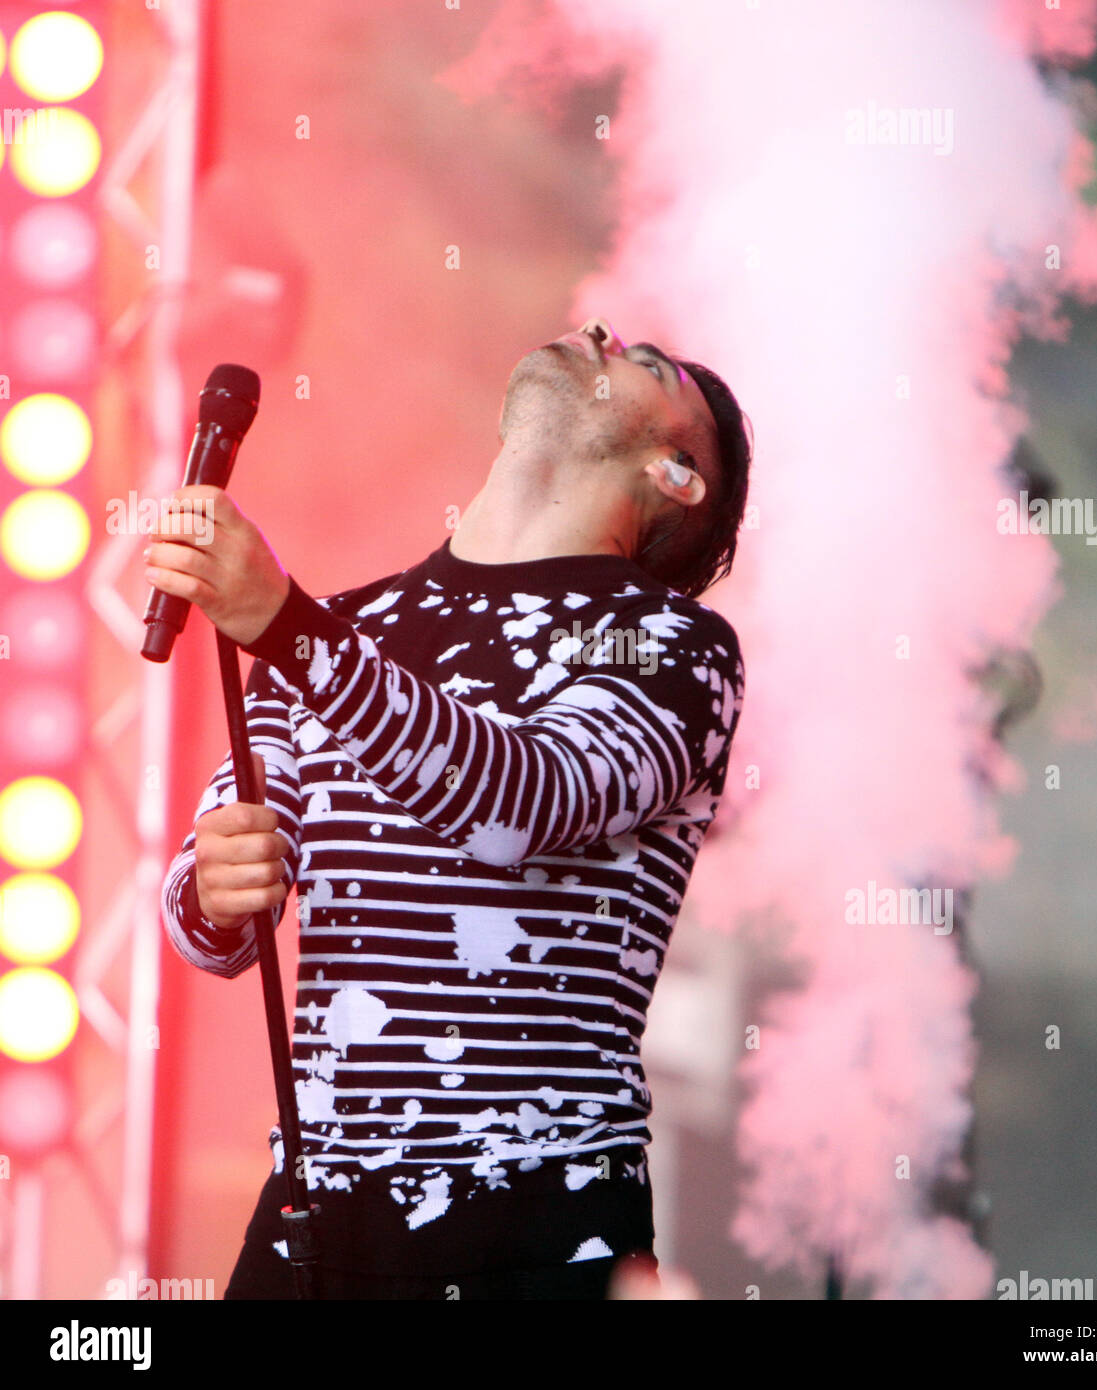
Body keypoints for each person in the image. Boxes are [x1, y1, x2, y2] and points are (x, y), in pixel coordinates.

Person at [153, 317, 751, 1299]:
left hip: (533, 1218)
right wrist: (217, 888)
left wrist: (286, 627)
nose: (600, 333)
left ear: (673, 476)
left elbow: (521, 799)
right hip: (318, 1215)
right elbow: (213, 931)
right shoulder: (342, 626)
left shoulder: (669, 645)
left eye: (648, 366)